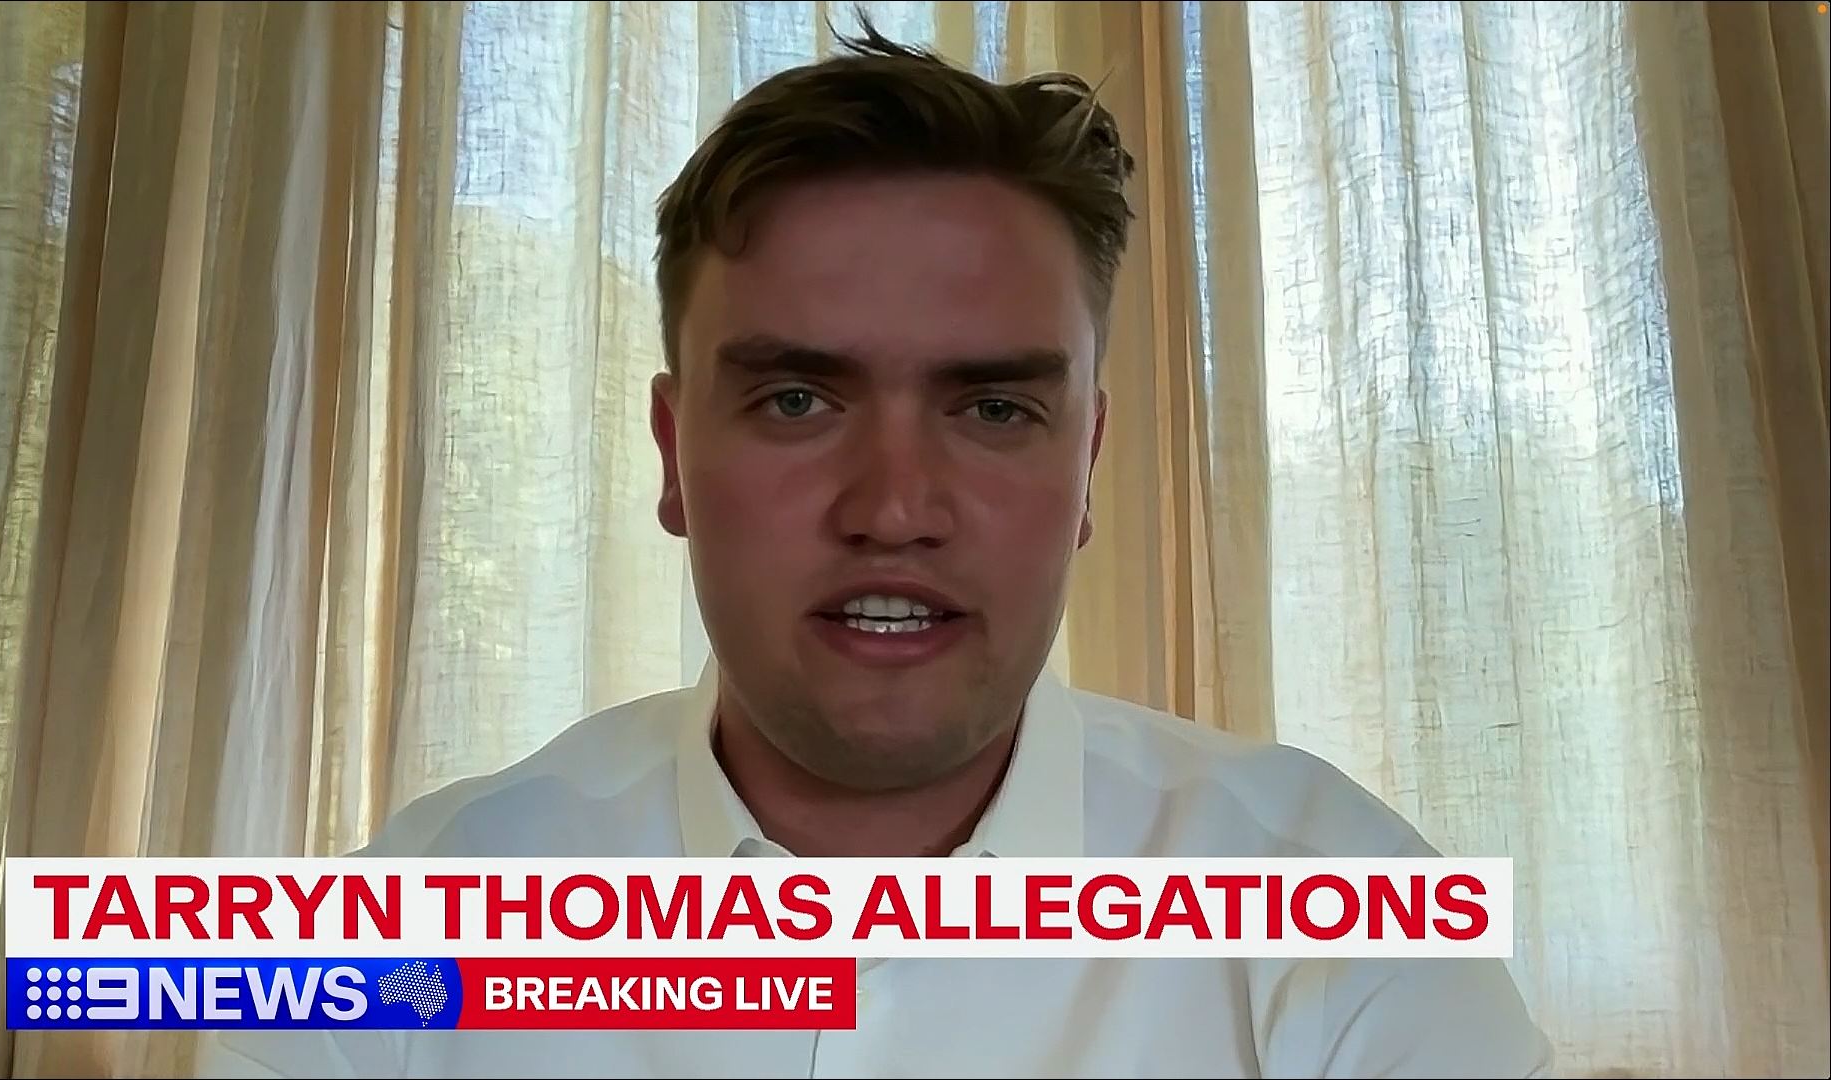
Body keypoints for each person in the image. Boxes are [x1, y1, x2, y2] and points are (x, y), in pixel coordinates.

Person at [197, 25, 1551, 1080]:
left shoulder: (1345, 916)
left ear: (1085, 465)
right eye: (797, 400)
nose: (894, 509)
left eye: (994, 409)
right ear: (673, 456)